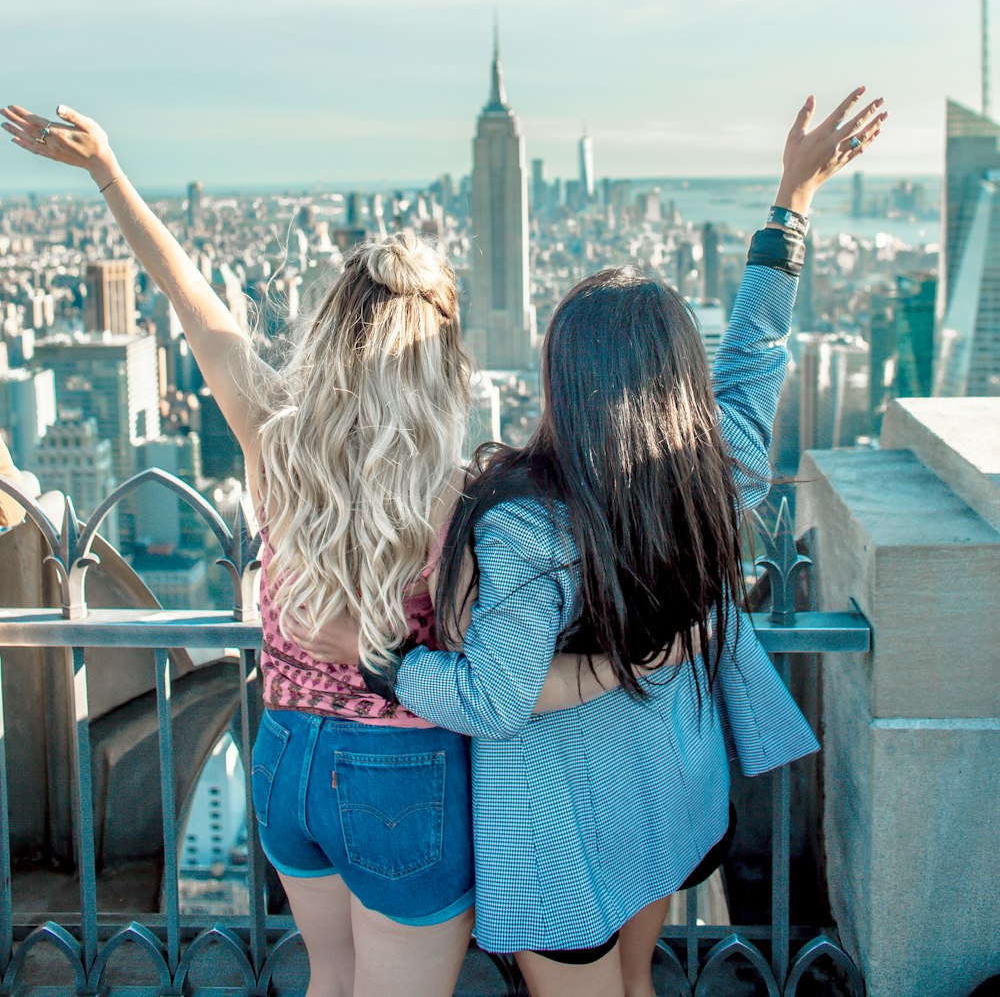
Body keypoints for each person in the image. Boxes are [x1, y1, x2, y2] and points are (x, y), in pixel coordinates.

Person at [1, 101, 600, 997]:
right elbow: (490, 679)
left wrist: (109, 173)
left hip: (284, 758)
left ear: (335, 331)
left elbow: (194, 305)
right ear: (437, 354)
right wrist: (619, 669)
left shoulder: (276, 440)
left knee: (328, 977)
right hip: (402, 772)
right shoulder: (463, 496)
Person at [322, 86, 889, 997]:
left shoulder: (522, 520)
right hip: (670, 801)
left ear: (561, 380)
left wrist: (384, 664)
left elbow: (494, 700)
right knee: (638, 982)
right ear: (676, 378)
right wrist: (793, 203)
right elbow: (754, 355)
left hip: (565, 835)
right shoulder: (717, 468)